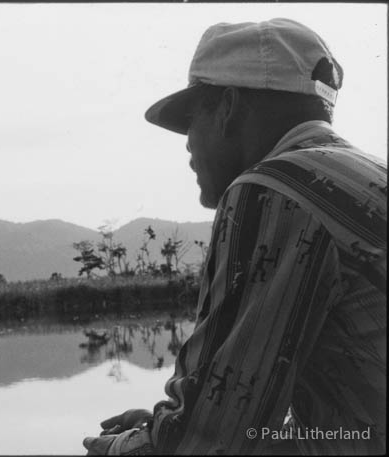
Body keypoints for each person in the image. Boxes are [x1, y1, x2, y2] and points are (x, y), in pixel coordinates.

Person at [83, 18, 386, 455]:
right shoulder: (365, 175)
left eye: (191, 119)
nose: (187, 143)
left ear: (227, 107)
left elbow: (211, 441)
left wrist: (130, 445)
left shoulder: (274, 190)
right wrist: (164, 423)